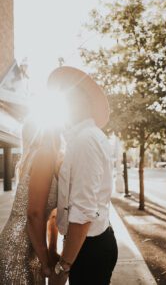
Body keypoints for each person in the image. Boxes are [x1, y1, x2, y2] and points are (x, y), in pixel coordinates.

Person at [48, 66, 118, 285]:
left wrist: (63, 268)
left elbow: (83, 213)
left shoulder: (85, 140)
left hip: (90, 247)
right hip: (88, 245)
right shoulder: (81, 139)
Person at [0, 118, 61, 284]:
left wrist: (51, 250)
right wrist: (45, 260)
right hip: (20, 245)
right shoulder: (45, 155)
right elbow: (34, 213)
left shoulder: (39, 155)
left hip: (30, 243)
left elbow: (50, 215)